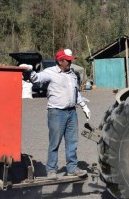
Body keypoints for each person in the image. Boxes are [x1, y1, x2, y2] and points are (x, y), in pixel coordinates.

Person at [23, 48, 90, 180]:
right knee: (55, 142)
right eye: (68, 60)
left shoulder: (72, 74)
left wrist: (83, 106)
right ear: (60, 61)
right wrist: (29, 71)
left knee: (72, 142)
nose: (70, 63)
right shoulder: (50, 72)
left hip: (72, 113)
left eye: (70, 60)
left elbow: (76, 93)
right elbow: (37, 79)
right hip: (56, 113)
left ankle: (72, 168)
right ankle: (51, 170)